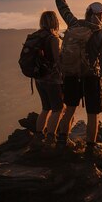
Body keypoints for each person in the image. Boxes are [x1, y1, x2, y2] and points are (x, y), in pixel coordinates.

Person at [51, 0, 102, 151]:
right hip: (91, 77)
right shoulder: (101, 35)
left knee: (69, 108)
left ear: (86, 13)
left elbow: (61, 4)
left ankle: (61, 140)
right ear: (101, 15)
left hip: (70, 75)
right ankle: (91, 148)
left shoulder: (74, 24)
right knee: (93, 114)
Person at [31, 10, 64, 146]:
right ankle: (51, 138)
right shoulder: (53, 39)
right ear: (54, 22)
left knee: (45, 108)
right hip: (52, 80)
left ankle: (38, 137)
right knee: (57, 109)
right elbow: (57, 60)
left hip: (38, 79)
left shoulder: (35, 36)